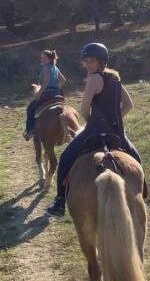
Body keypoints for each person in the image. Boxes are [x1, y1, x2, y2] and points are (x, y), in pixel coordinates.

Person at [47, 42, 142, 216]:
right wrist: (114, 119)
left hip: (95, 129)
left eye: (91, 61)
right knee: (135, 157)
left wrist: (93, 122)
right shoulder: (115, 78)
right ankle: (142, 191)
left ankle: (60, 201)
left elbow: (84, 110)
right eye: (86, 61)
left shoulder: (93, 79)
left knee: (66, 158)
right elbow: (129, 105)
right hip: (116, 131)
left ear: (101, 61)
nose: (87, 65)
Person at [23, 49, 67, 140]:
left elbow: (46, 81)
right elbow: (63, 80)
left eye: (44, 58)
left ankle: (30, 130)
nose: (41, 59)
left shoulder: (46, 67)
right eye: (41, 57)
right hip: (57, 93)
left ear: (49, 59)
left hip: (47, 93)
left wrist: (39, 92)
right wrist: (56, 88)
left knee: (30, 108)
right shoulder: (55, 68)